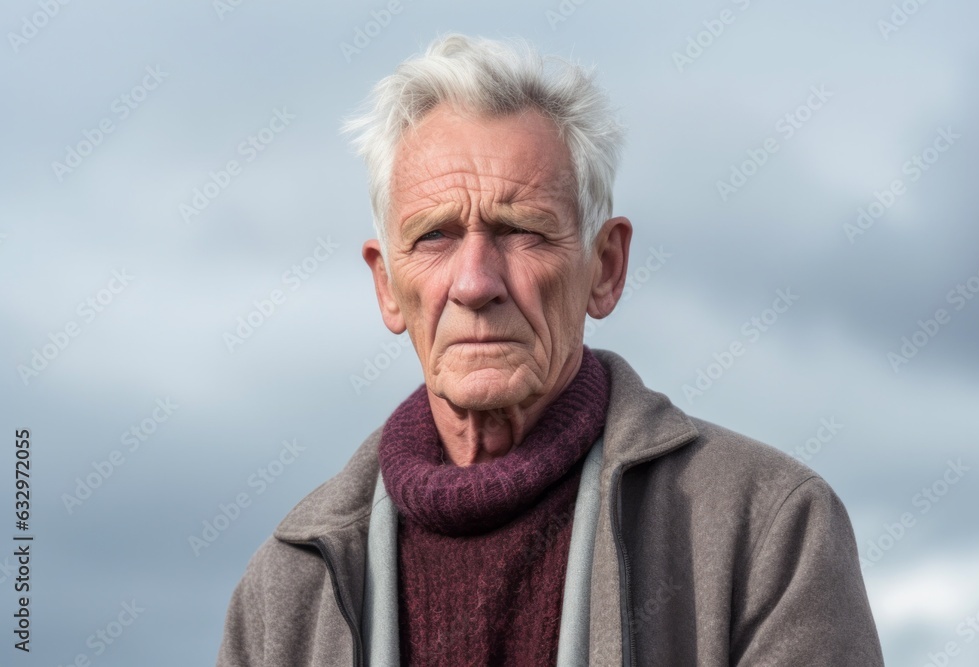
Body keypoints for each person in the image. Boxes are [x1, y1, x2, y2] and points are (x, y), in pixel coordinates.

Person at [217, 34, 884, 666]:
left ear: (605, 267)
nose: (476, 283)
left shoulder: (769, 529)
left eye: (521, 231)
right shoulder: (286, 586)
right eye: (434, 237)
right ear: (387, 285)